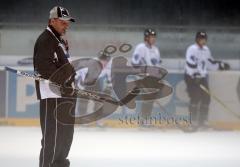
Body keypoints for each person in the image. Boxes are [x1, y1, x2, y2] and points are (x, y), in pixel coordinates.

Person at [33, 6, 76, 167]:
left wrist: (71, 82)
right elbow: (44, 68)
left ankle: (59, 164)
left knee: (65, 136)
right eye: (63, 22)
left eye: (67, 22)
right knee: (52, 137)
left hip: (65, 95)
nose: (67, 25)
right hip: (52, 95)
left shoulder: (58, 40)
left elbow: (65, 65)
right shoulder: (45, 40)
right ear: (52, 21)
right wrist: (64, 82)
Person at [184, 31, 230, 131]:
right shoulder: (192, 49)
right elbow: (189, 63)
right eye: (201, 39)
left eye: (204, 39)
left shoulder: (206, 50)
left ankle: (202, 122)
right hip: (191, 77)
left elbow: (210, 63)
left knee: (206, 98)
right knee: (195, 98)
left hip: (202, 77)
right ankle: (193, 122)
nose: (203, 41)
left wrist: (220, 66)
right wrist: (195, 74)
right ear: (197, 39)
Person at [131, 28, 161, 124]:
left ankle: (145, 120)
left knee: (150, 99)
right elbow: (134, 62)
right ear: (146, 37)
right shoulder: (140, 48)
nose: (153, 39)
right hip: (143, 77)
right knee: (147, 98)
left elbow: (157, 66)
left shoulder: (156, 50)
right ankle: (143, 120)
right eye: (151, 37)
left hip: (152, 78)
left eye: (154, 37)